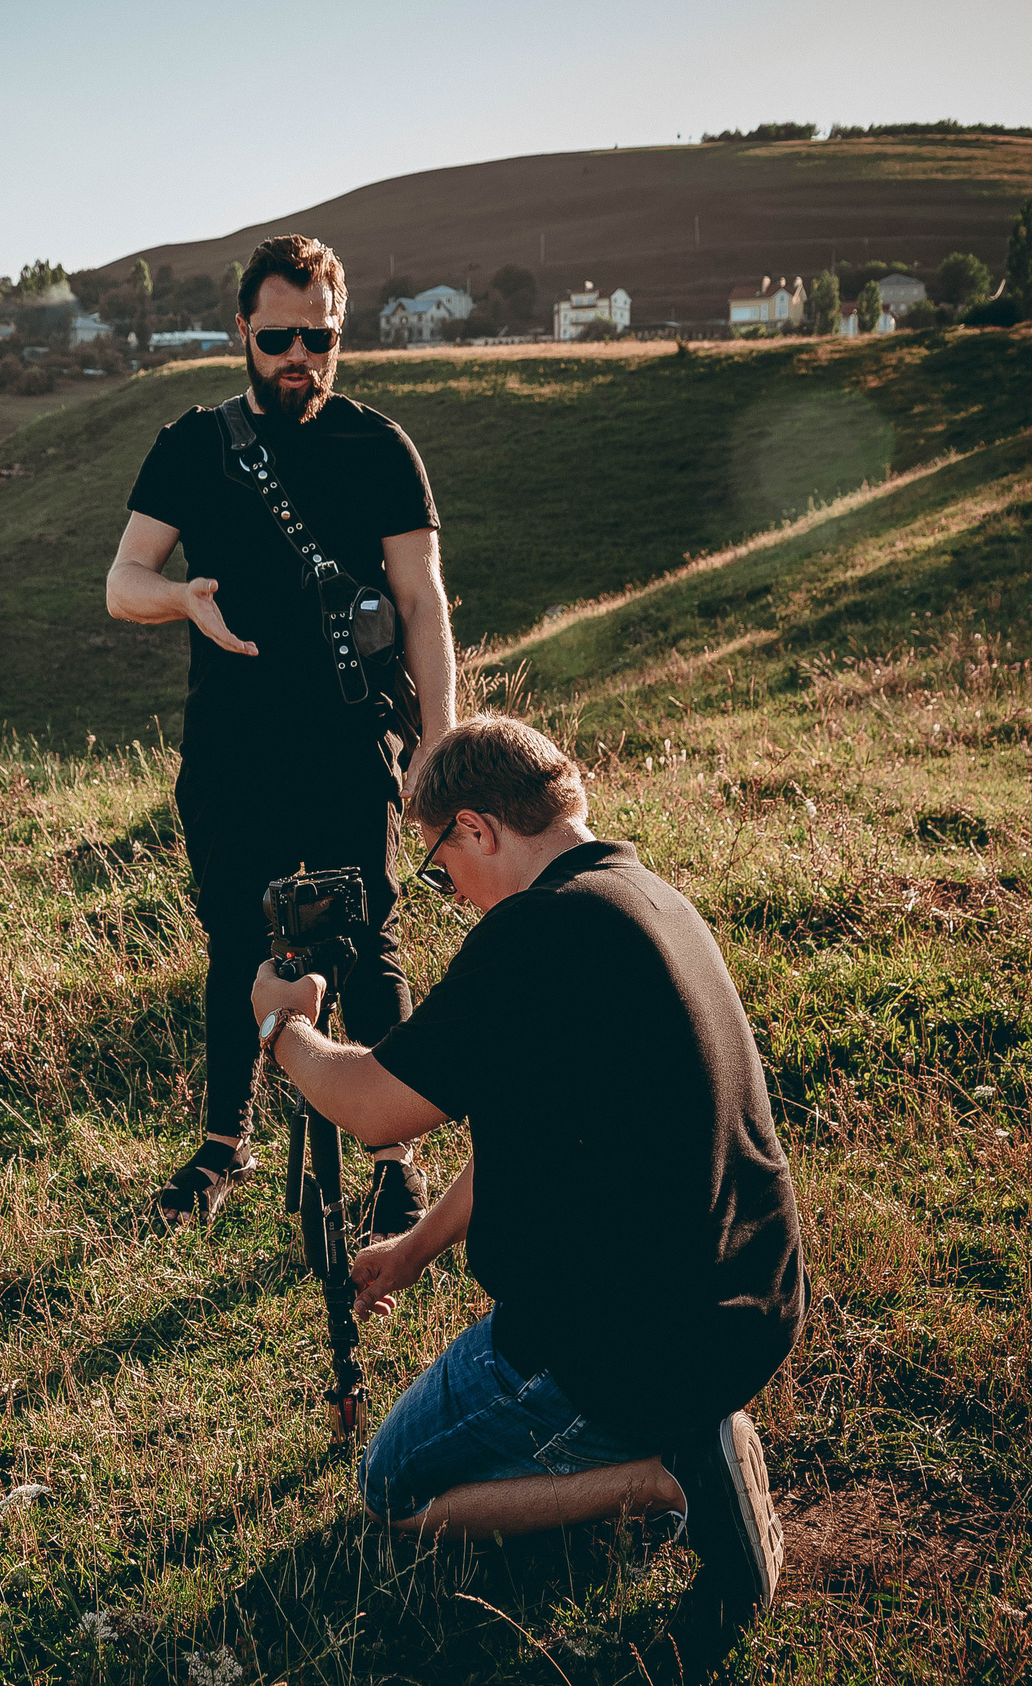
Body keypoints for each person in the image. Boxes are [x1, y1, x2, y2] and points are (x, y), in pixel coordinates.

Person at [249, 714, 807, 1616]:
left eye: (440, 866)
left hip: (633, 1344)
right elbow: (535, 1131)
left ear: (476, 827)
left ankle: (673, 1473)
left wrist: (285, 1028)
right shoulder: (646, 894)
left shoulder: (535, 935)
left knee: (392, 1489)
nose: (452, 889)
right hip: (751, 1295)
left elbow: (374, 1105)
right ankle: (675, 1434)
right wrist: (415, 1248)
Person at [105, 233, 456, 1236]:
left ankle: (394, 1160)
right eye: (278, 336)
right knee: (231, 944)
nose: (298, 355)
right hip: (230, 747)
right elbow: (121, 581)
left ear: (339, 330)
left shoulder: (380, 447)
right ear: (243, 332)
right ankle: (224, 1149)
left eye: (318, 335)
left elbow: (421, 605)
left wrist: (438, 742)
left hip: (351, 742)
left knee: (368, 945)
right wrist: (181, 599)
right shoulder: (193, 443)